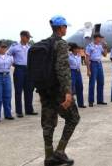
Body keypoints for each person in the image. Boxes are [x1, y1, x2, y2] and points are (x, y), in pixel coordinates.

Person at [33, 16, 80, 165]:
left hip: (45, 90)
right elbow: (62, 70)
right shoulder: (60, 44)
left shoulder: (44, 44)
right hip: (58, 91)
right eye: (65, 26)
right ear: (61, 28)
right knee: (73, 118)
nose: (66, 29)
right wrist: (68, 92)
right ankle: (59, 152)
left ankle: (49, 156)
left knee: (48, 123)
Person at [7, 30, 38, 118]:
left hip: (28, 70)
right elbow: (8, 55)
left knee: (29, 90)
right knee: (18, 91)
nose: (28, 39)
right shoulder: (15, 47)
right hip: (19, 69)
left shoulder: (29, 47)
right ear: (22, 37)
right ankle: (19, 111)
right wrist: (14, 63)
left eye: (29, 37)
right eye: (27, 37)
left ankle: (29, 110)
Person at [86, 33, 108, 107]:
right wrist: (88, 70)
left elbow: (105, 55)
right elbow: (87, 58)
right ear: (96, 38)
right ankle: (91, 101)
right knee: (92, 83)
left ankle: (100, 100)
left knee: (101, 82)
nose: (101, 39)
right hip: (93, 64)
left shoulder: (100, 46)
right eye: (100, 38)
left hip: (99, 64)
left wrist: (105, 47)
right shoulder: (89, 46)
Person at [69, 43, 86, 108]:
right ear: (73, 49)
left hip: (78, 72)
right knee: (72, 87)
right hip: (72, 71)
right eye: (77, 48)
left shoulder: (79, 55)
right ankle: (71, 103)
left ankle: (81, 103)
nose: (78, 49)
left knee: (80, 87)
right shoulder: (69, 56)